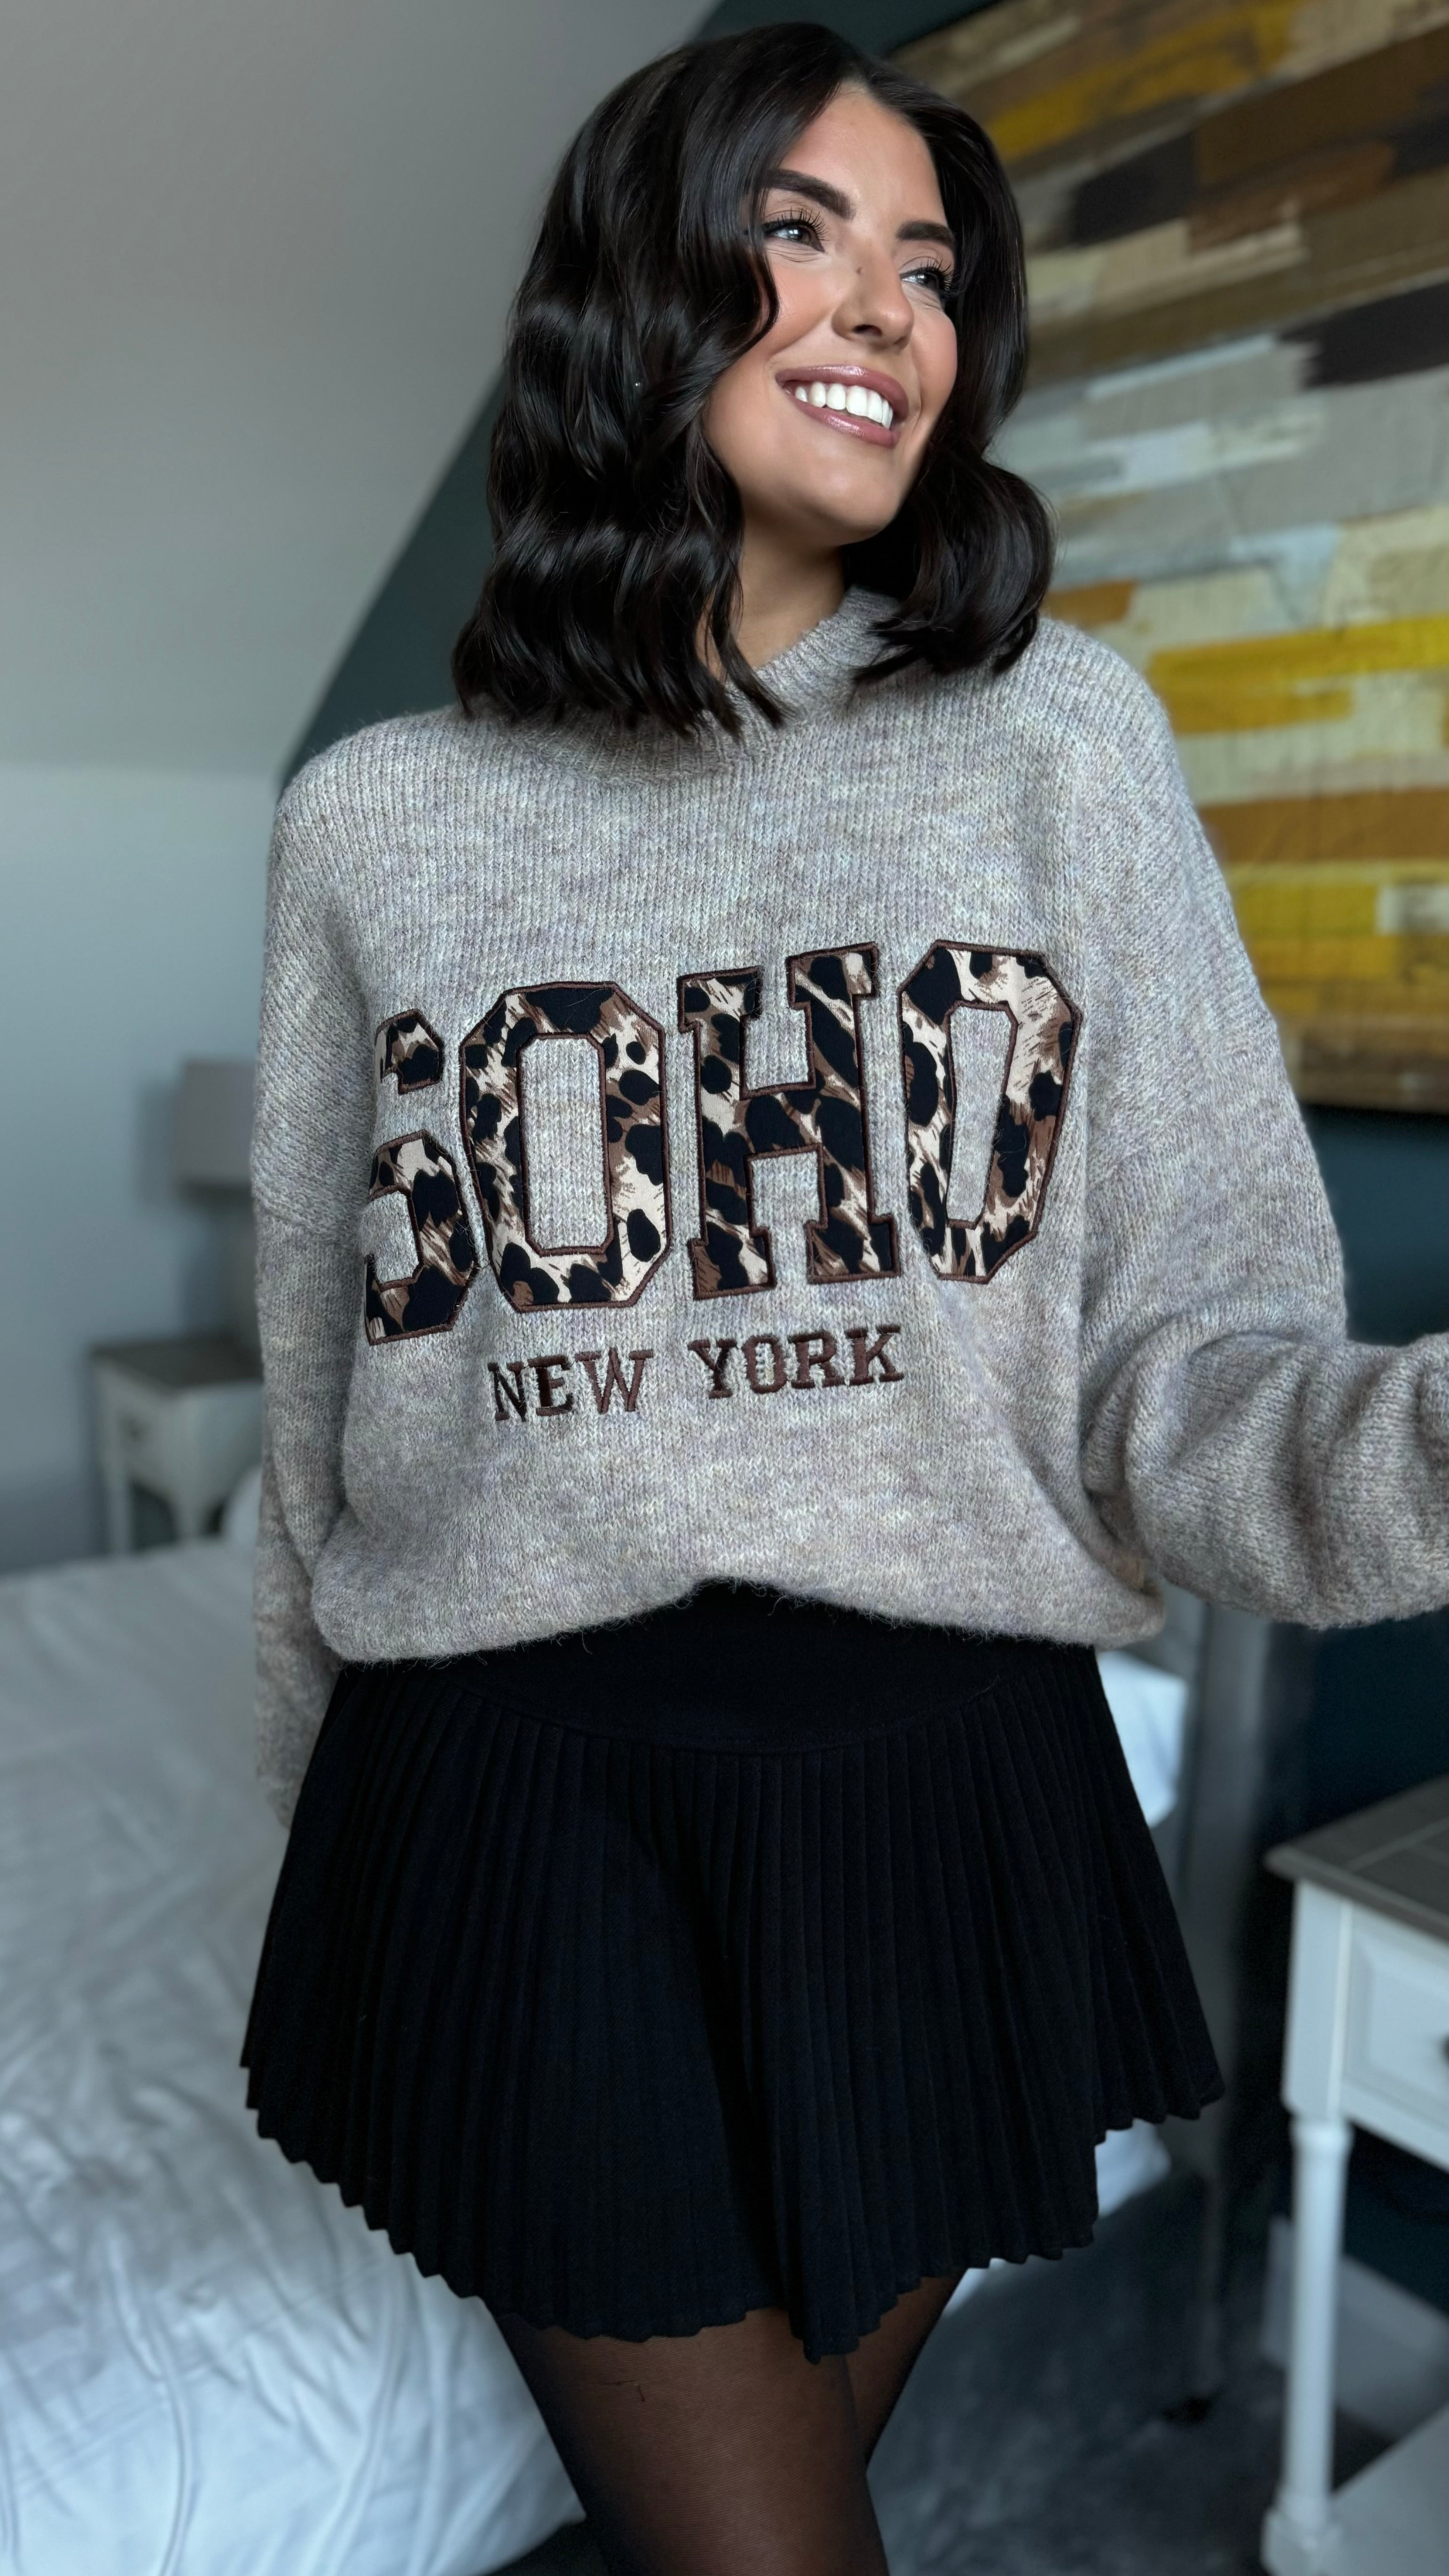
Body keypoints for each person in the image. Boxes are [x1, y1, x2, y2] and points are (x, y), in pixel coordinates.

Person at [241, 24, 1449, 2575]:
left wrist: (1428, 1450)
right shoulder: (376, 826)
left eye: (930, 262)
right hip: (522, 1807)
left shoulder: (1059, 750)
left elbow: (1186, 1356)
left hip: (944, 1796)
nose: (890, 306)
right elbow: (326, 1399)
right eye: (802, 231)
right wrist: (318, 1839)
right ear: (636, 287)